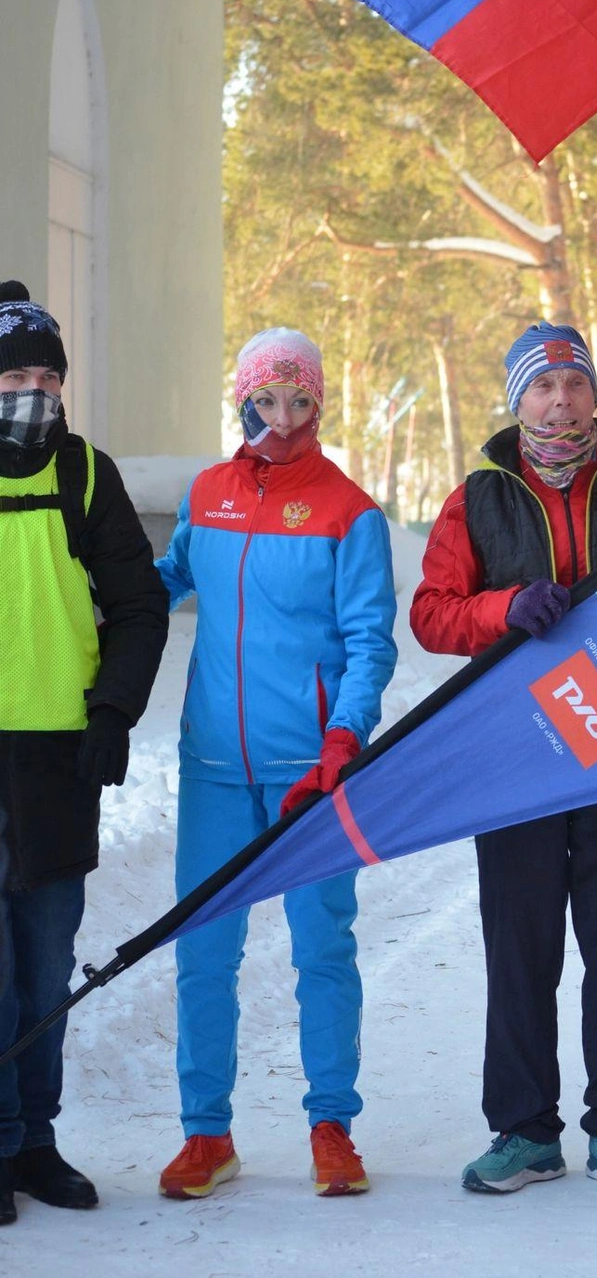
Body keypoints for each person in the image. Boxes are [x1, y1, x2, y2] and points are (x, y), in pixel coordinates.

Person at [410, 322, 597, 1196]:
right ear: (517, 400)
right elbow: (433, 614)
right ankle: (524, 1130)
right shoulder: (477, 496)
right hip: (514, 749)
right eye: (543, 386)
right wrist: (507, 606)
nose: (562, 400)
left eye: (576, 384)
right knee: (520, 945)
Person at [156, 327, 397, 1201]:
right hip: (216, 763)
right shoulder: (208, 495)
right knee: (204, 952)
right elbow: (169, 576)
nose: (283, 418)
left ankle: (332, 1125)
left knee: (322, 949)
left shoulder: (349, 512)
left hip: (311, 773)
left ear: (320, 402)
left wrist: (346, 739)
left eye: (300, 401)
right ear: (244, 398)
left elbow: (372, 642)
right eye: (267, 399)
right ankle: (206, 1133)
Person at [0, 281, 168, 1225]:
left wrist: (113, 711)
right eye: (14, 374)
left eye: (46, 375)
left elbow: (141, 606)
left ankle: (34, 1141)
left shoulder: (87, 475)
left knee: (43, 959)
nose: (32, 390)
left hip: (60, 756)